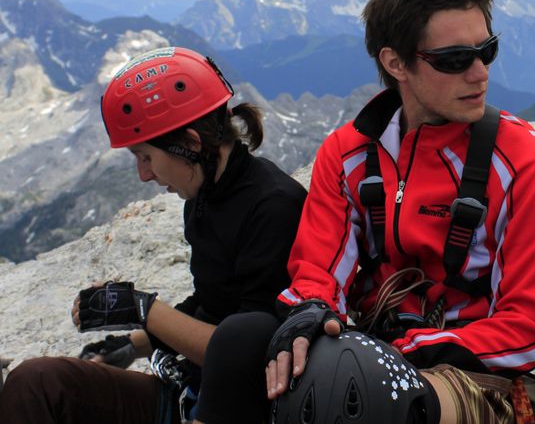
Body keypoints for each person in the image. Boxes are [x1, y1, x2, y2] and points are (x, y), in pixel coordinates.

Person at [208, 0, 535, 423]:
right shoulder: (348, 154)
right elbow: (318, 270)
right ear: (395, 62)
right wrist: (311, 314)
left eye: (486, 51)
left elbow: (531, 327)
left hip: (472, 373)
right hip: (370, 346)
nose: (479, 73)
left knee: (360, 391)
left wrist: (399, 353)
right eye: (454, 59)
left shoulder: (520, 163)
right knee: (242, 340)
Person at [0, 47, 306, 424]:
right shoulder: (205, 193)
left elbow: (246, 348)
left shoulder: (273, 207)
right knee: (35, 382)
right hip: (186, 394)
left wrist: (141, 308)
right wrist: (129, 346)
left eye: (145, 157)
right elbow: (212, 305)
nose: (143, 175)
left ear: (192, 144)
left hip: (230, 407)